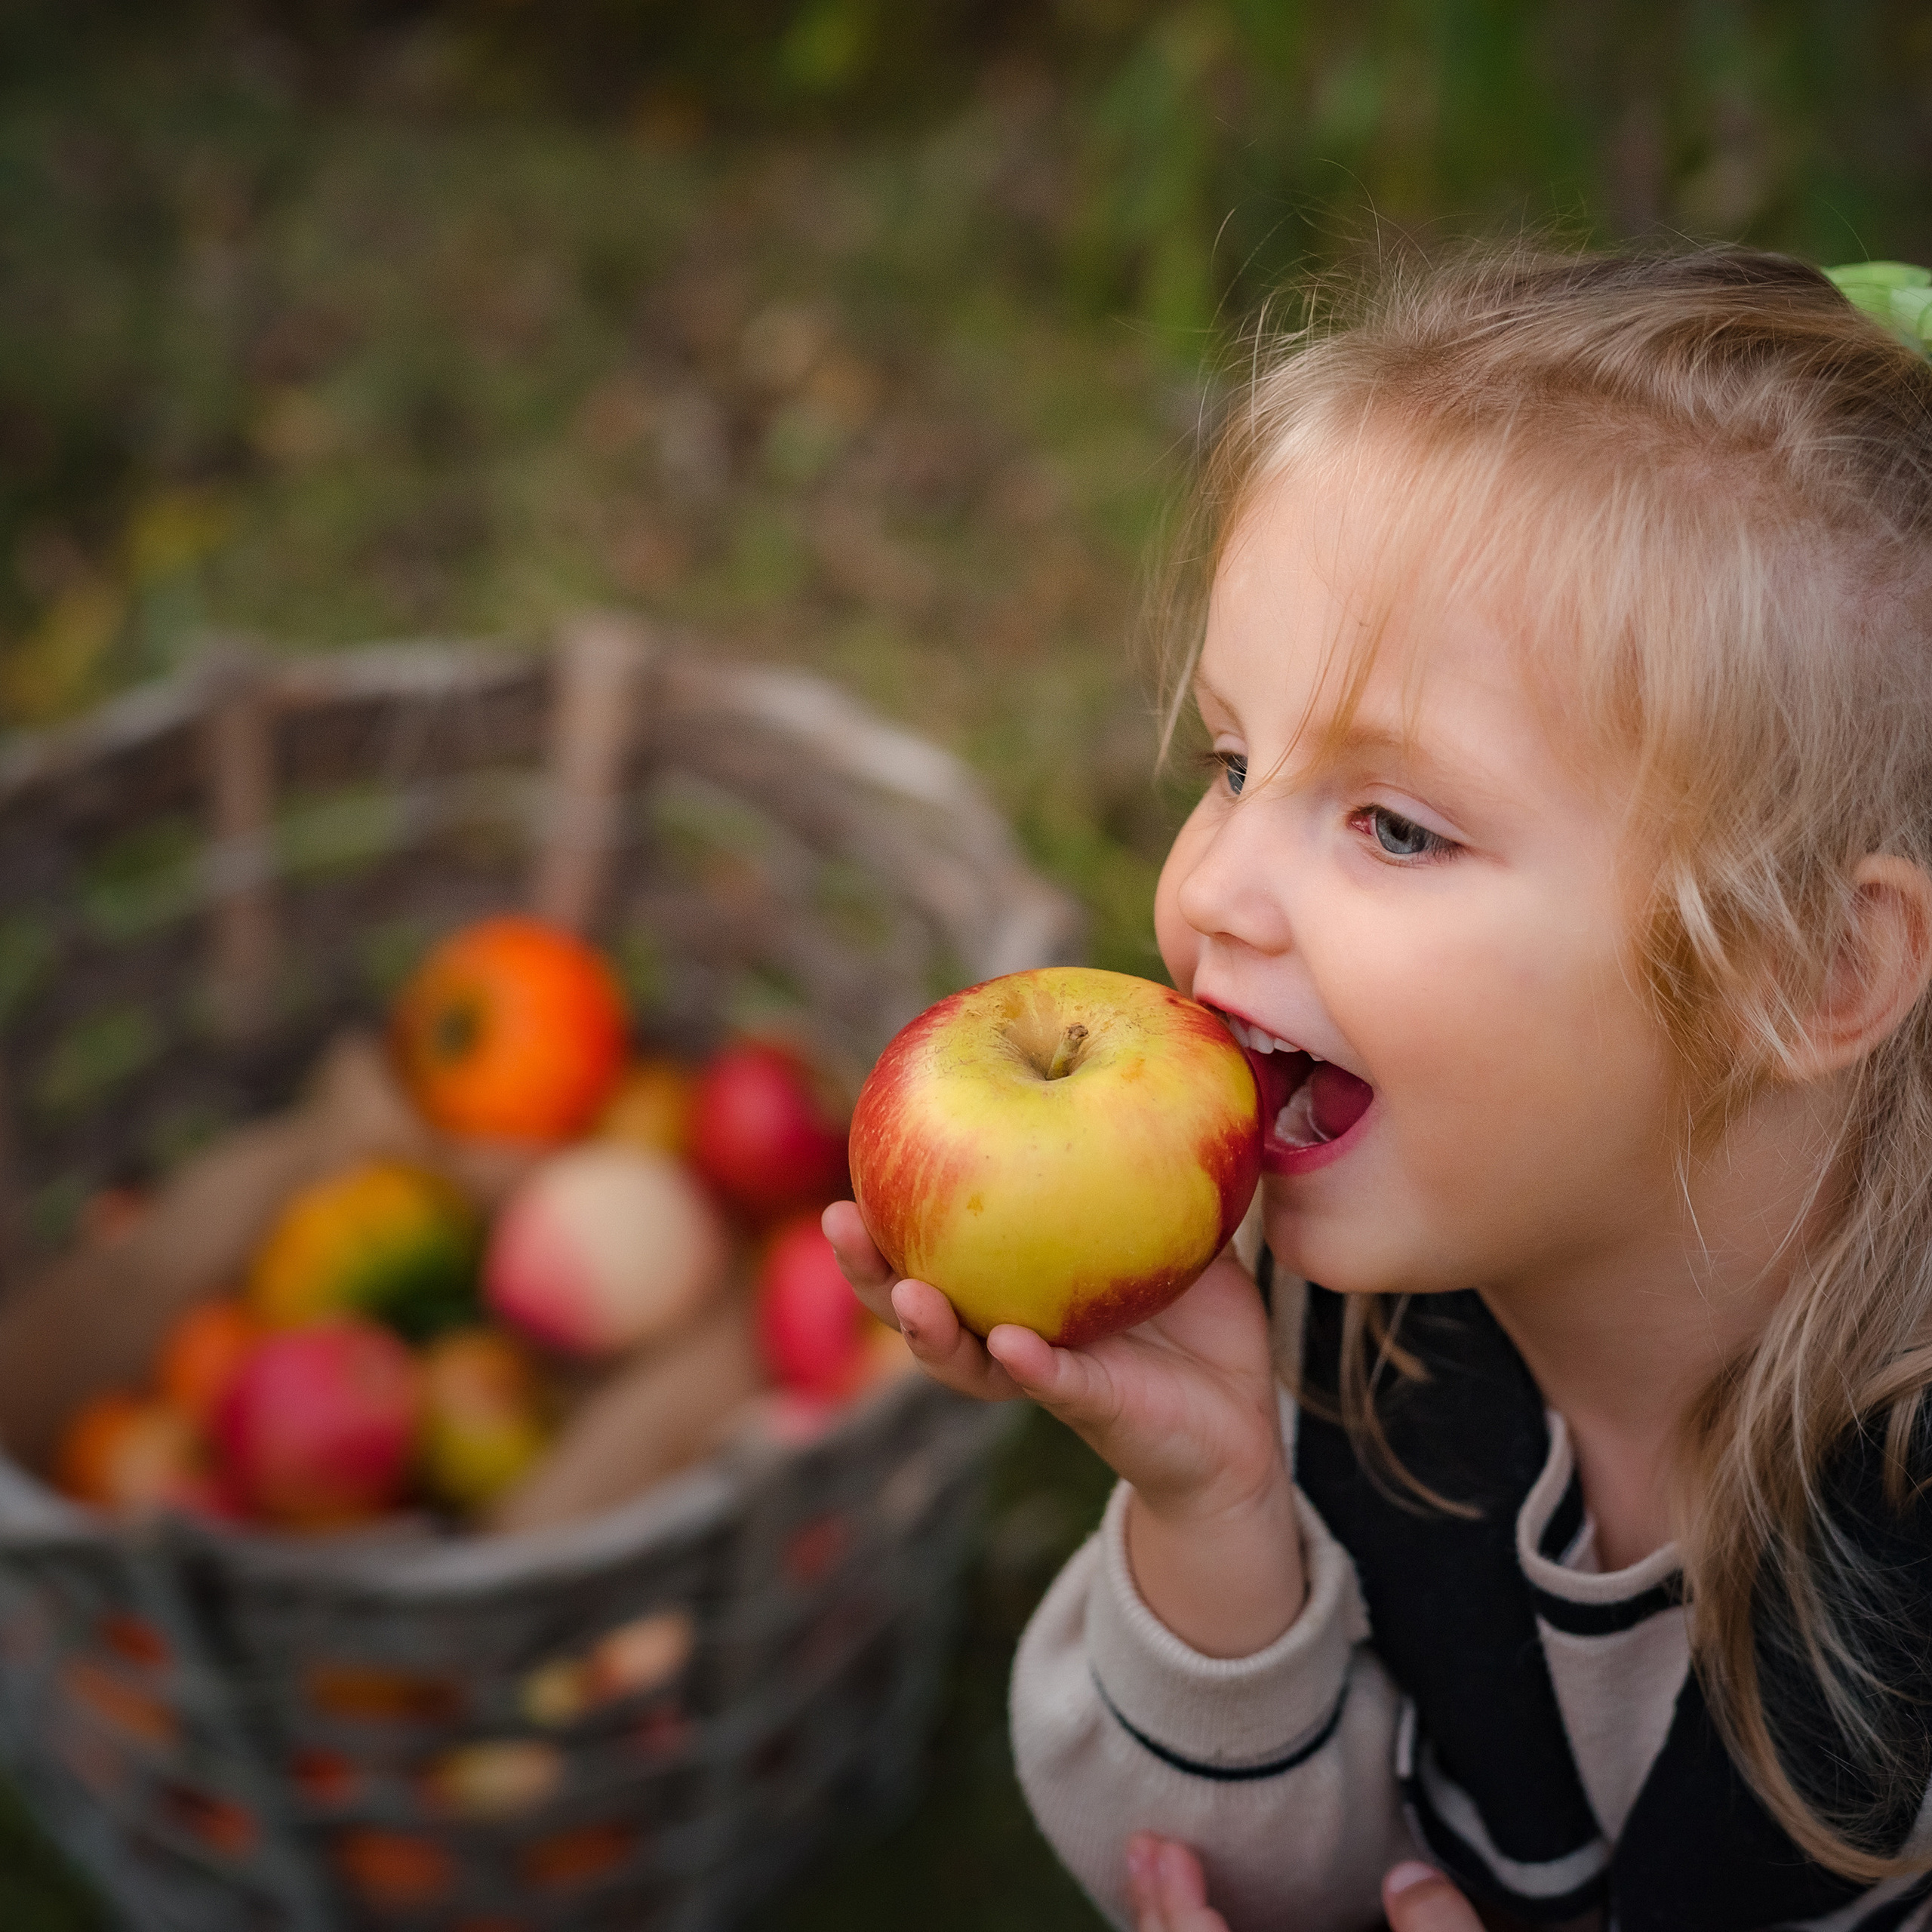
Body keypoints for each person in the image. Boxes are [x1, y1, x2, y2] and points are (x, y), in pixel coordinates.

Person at [826, 246, 1932, 1932]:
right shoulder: (1365, 1340)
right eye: (1232, 762)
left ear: (1801, 970)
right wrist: (1211, 1508)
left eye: (1396, 825)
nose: (1207, 892)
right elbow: (1268, 1878)